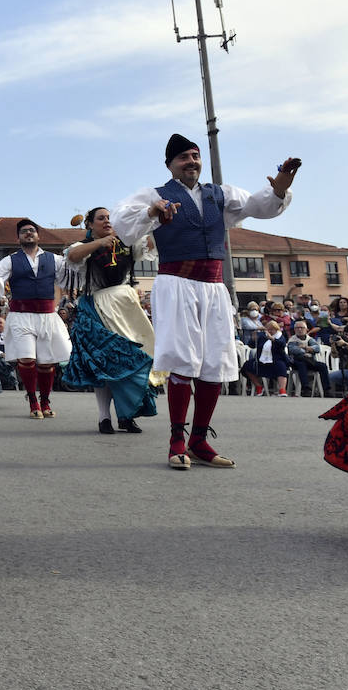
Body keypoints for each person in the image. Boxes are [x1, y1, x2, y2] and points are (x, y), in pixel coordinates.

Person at [113, 134, 298, 469]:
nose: (192, 161)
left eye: (195, 156)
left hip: (213, 286)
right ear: (170, 165)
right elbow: (122, 223)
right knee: (184, 360)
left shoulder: (219, 194)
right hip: (176, 283)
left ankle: (199, 441)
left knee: (214, 360)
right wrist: (152, 212)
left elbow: (260, 205)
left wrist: (281, 186)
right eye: (184, 157)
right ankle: (176, 441)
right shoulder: (156, 194)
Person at [61, 208, 160, 435]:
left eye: (109, 218)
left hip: (126, 305)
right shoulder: (84, 247)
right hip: (99, 305)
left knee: (134, 359)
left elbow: (151, 244)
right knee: (104, 362)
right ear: (90, 224)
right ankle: (104, 417)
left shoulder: (127, 243)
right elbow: (73, 256)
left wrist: (149, 219)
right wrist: (100, 242)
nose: (107, 221)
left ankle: (127, 415)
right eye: (101, 218)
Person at [0, 219, 72, 419]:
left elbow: (68, 276)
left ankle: (45, 400)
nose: (28, 233)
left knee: (47, 363)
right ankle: (33, 401)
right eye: (24, 231)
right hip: (21, 316)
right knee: (27, 359)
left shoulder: (54, 259)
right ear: (19, 237)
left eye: (32, 230)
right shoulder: (10, 260)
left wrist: (76, 256)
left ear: (38, 236)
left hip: (47, 316)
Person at [287, 320, 332, 397]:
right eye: (297, 328)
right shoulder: (292, 339)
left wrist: (305, 347)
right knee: (301, 364)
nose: (299, 330)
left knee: (323, 366)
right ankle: (306, 389)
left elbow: (317, 348)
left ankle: (326, 390)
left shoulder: (309, 339)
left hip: (310, 361)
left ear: (306, 329)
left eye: (302, 328)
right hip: (297, 362)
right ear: (294, 330)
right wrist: (308, 350)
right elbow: (294, 350)